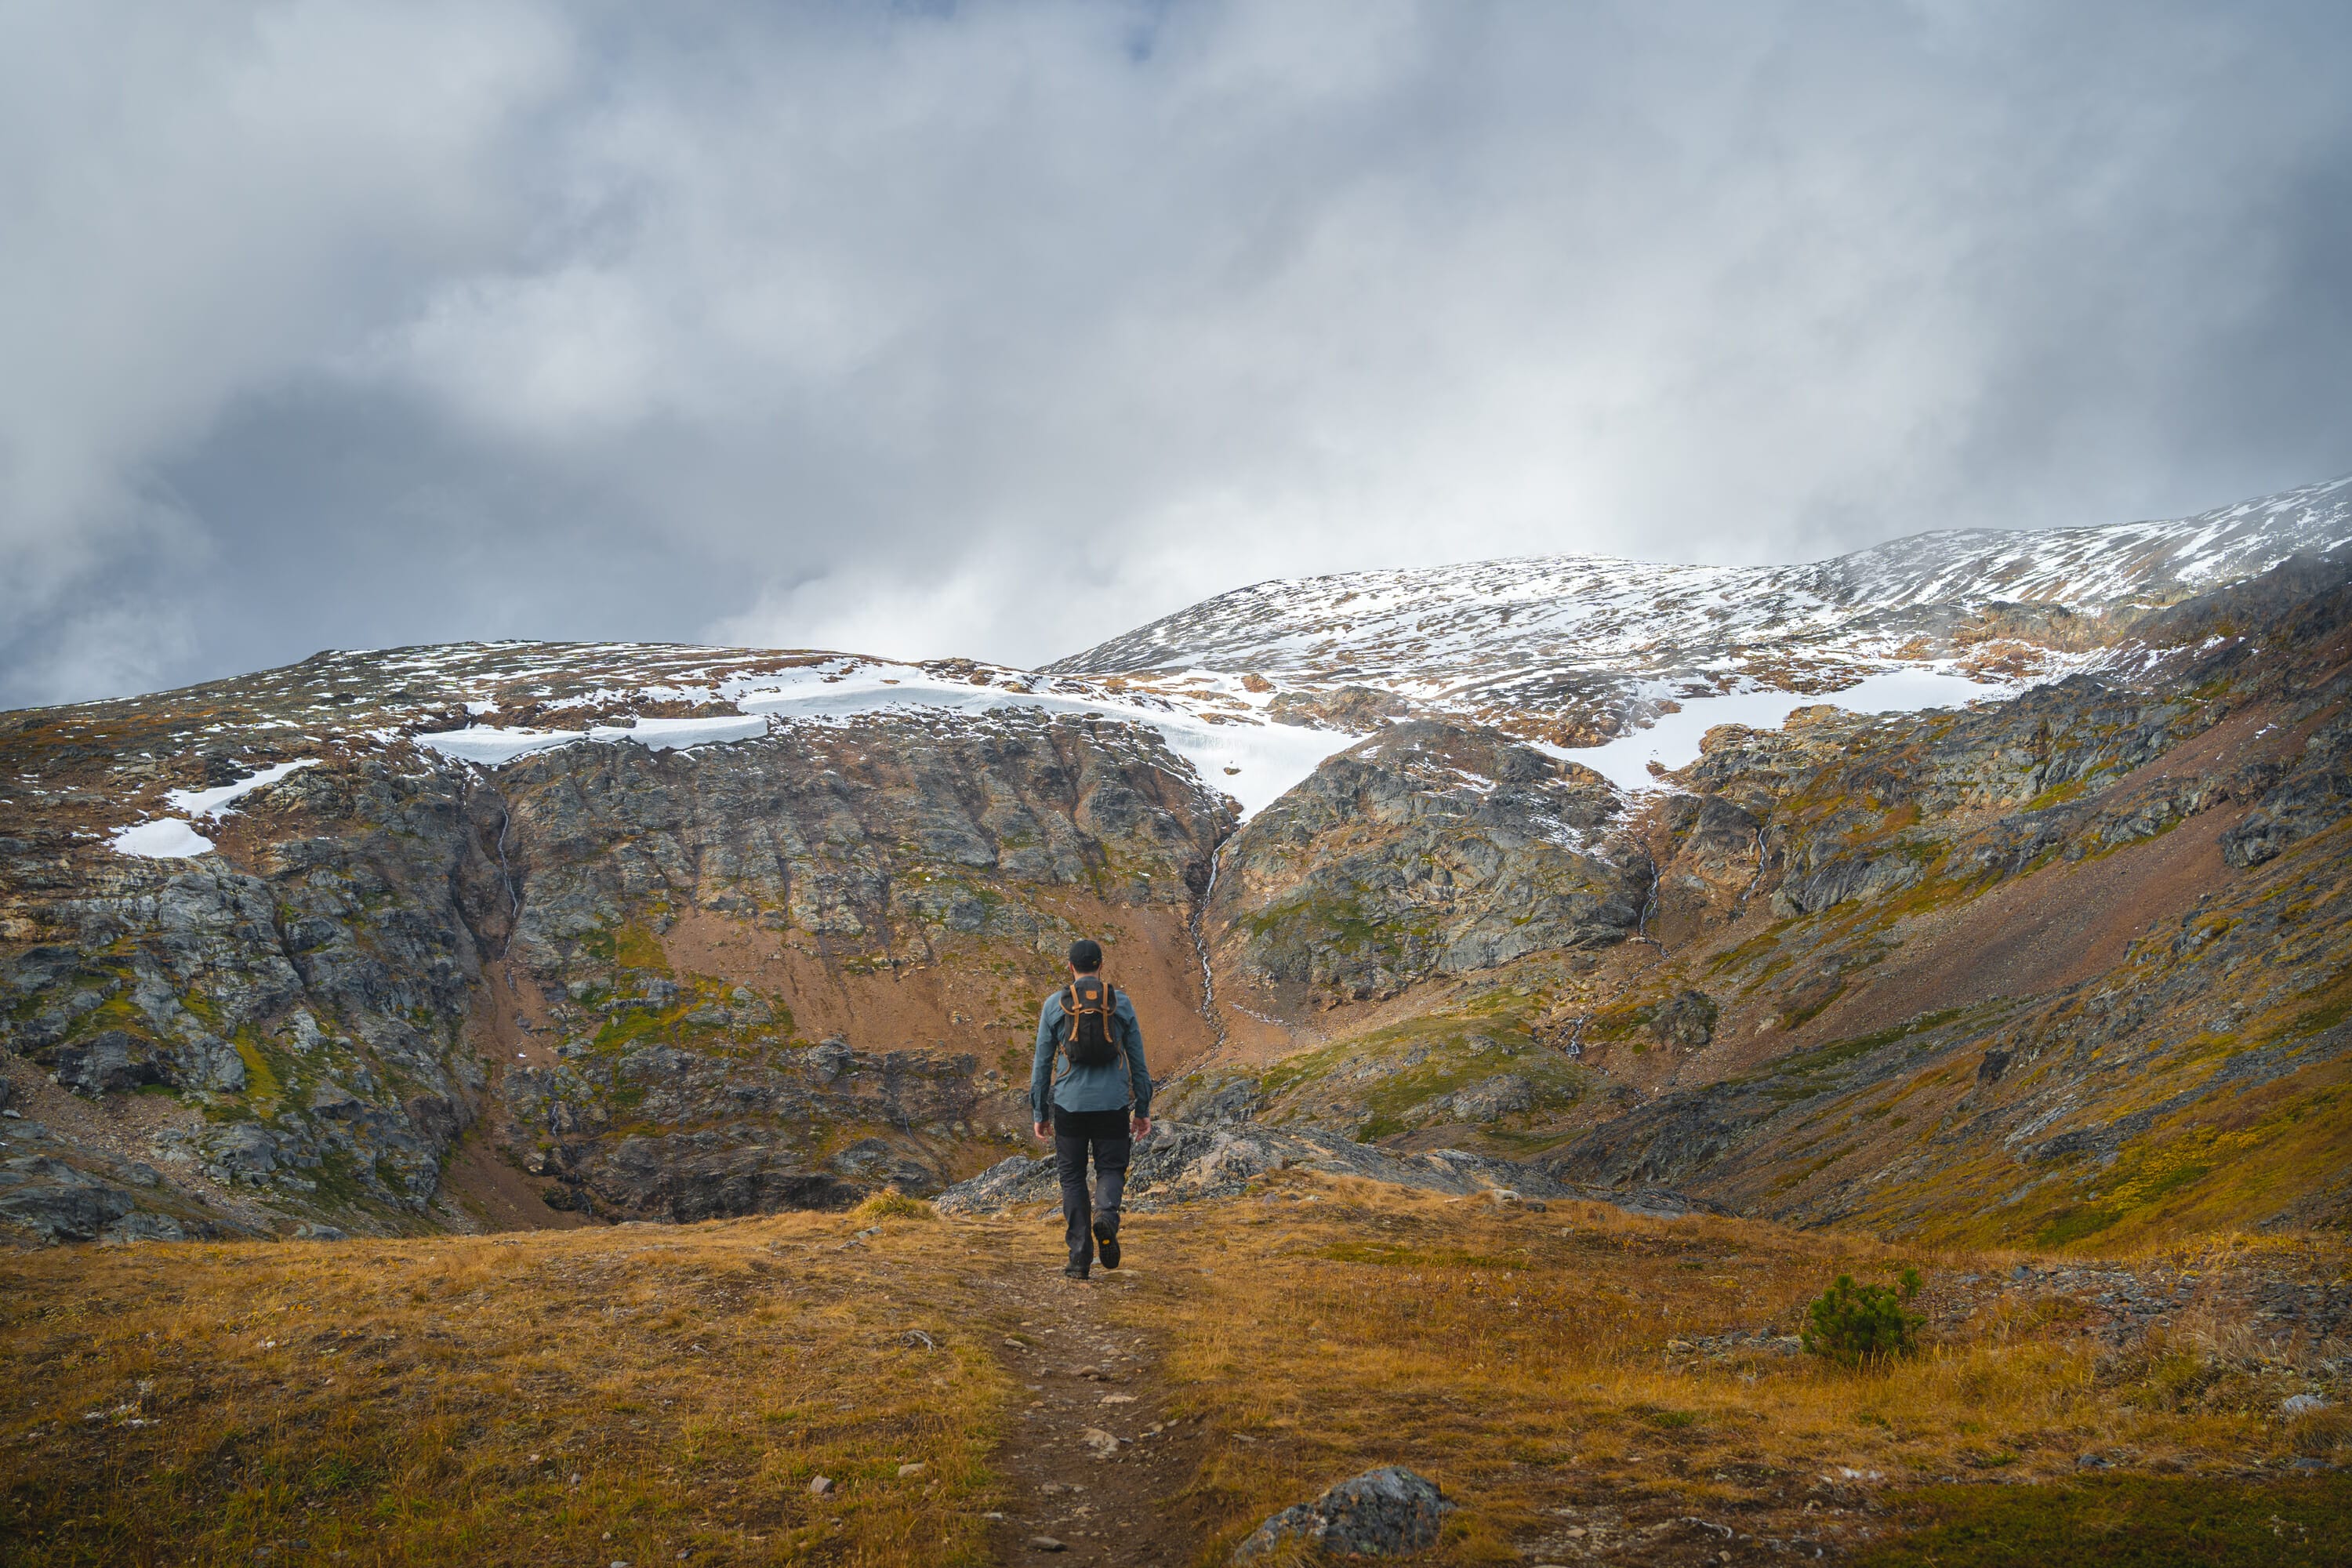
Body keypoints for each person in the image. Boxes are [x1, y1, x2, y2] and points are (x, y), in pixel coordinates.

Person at [1031, 937, 1152, 1279]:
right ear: (1101, 965)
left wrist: (1040, 1113)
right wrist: (1142, 1108)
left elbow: (1042, 1066)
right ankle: (1107, 1217)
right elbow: (1138, 1062)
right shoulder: (1121, 1004)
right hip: (1113, 1104)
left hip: (1069, 1106)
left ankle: (1079, 1260)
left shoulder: (1055, 1006)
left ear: (1071, 968)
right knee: (1111, 1169)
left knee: (1072, 1178)